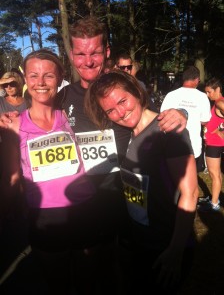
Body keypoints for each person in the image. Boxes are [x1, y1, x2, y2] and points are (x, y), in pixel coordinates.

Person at [0, 16, 188, 293]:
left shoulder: (122, 89)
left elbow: (148, 116)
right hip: (77, 211)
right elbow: (39, 107)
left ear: (106, 52)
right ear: (72, 56)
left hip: (124, 207)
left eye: (95, 52)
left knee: (115, 278)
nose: (88, 61)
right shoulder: (62, 99)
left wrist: (179, 113)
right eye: (80, 53)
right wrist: (11, 120)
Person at [0, 49, 123, 295]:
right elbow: (9, 179)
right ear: (26, 80)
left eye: (49, 76)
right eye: (34, 76)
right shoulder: (13, 124)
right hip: (46, 220)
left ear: (60, 79)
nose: (41, 83)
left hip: (85, 211)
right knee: (59, 287)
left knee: (88, 284)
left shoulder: (67, 114)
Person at [84, 69, 199, 294]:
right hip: (141, 244)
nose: (120, 112)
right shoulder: (127, 132)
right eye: (110, 110)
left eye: (123, 101)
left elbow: (191, 192)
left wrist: (175, 251)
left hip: (166, 246)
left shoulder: (168, 130)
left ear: (137, 92)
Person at [160, 65, 211, 172]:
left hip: (171, 144)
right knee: (189, 179)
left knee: (172, 178)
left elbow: (161, 117)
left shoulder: (171, 95)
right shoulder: (202, 97)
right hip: (192, 146)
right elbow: (205, 120)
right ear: (197, 79)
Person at [198, 78, 224, 212]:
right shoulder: (218, 102)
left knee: (214, 175)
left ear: (217, 89)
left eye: (209, 92)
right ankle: (215, 197)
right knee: (217, 174)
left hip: (214, 144)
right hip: (216, 143)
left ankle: (214, 204)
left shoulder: (220, 102)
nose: (207, 95)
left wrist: (221, 130)